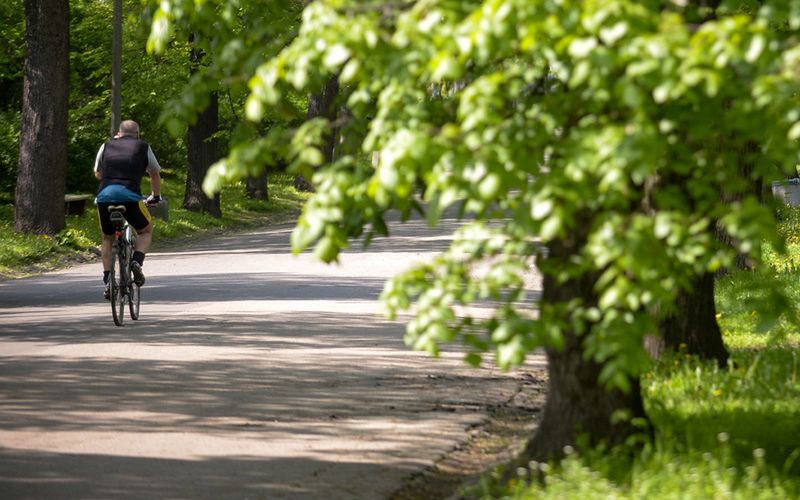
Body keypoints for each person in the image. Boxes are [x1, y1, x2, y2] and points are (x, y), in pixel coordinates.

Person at [94, 120, 162, 299]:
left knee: (107, 237)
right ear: (137, 134)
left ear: (119, 133)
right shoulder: (143, 147)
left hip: (104, 198)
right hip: (131, 197)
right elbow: (154, 173)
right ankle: (136, 262)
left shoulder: (106, 146)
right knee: (145, 230)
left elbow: (97, 172)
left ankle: (108, 279)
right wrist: (155, 197)